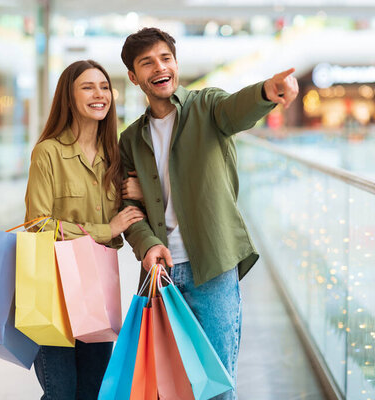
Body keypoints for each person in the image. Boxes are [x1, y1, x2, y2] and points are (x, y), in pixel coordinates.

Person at [119, 27, 299, 399]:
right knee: (166, 387)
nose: (159, 67)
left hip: (213, 270)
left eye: (165, 58)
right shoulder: (131, 139)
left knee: (215, 388)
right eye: (147, 63)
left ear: (176, 64)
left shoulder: (207, 106)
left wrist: (267, 90)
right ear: (134, 77)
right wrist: (147, 244)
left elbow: (237, 110)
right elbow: (128, 206)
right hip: (161, 275)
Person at [24, 60, 144, 399]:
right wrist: (105, 229)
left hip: (97, 288)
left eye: (104, 87)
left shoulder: (115, 156)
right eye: (88, 87)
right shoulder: (48, 152)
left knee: (93, 389)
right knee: (61, 391)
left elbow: (132, 213)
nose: (99, 94)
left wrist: (138, 196)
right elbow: (38, 223)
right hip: (52, 289)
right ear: (69, 96)